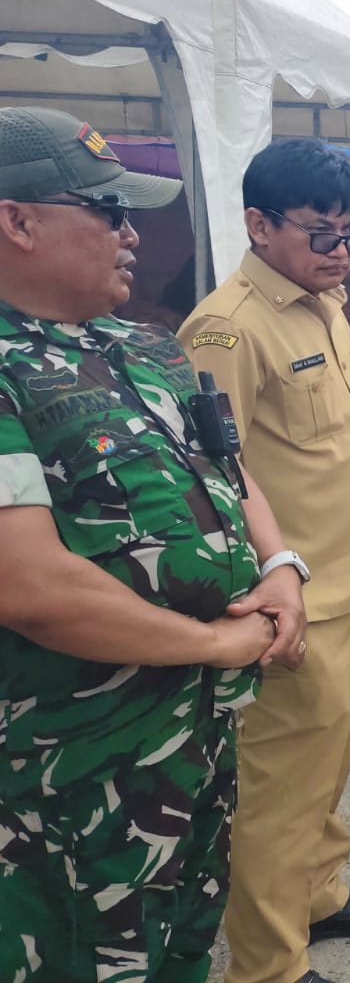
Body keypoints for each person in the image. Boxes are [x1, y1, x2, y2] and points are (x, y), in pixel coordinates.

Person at [0, 106, 308, 982]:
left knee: (183, 941)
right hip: (73, 765)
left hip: (194, 736)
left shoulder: (147, 349)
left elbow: (232, 472)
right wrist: (217, 642)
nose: (134, 233)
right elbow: (27, 584)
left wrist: (281, 569)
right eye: (109, 212)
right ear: (18, 221)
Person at [182, 139, 350, 983]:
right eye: (325, 234)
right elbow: (215, 472)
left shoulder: (322, 302)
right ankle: (268, 965)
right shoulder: (226, 328)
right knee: (280, 791)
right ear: (258, 224)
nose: (344, 251)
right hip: (302, 597)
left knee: (334, 755)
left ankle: (320, 895)